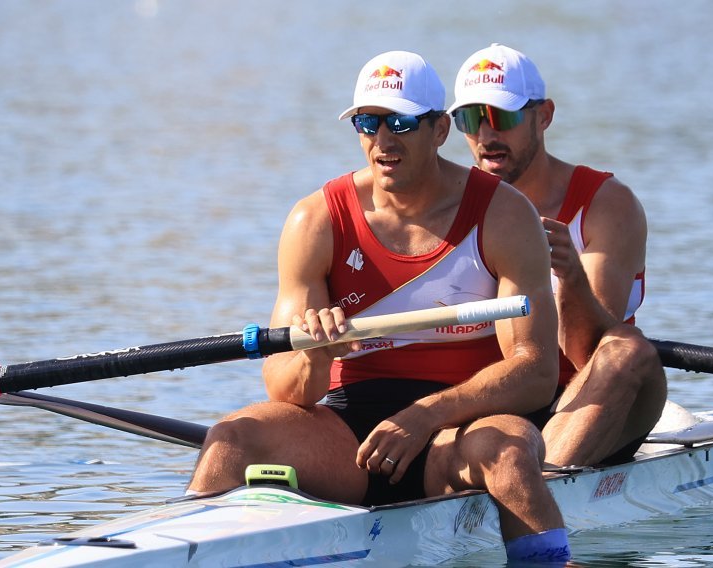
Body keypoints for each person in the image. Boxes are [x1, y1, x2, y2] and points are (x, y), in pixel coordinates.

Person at [187, 50, 572, 563]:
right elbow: (287, 390)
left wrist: (421, 416)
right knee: (230, 439)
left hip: (460, 431)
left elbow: (535, 374)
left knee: (506, 457)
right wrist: (317, 353)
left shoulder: (504, 216)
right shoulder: (315, 220)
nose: (383, 141)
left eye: (402, 123)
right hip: (350, 441)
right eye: (368, 123)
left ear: (439, 129)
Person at [448, 43, 667, 468]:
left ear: (543, 116)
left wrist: (571, 275)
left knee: (627, 350)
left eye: (502, 117)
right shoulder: (449, 203)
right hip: (494, 404)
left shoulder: (606, 205)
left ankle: (540, 493)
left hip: (585, 402)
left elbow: (590, 353)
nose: (487, 136)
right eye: (471, 119)